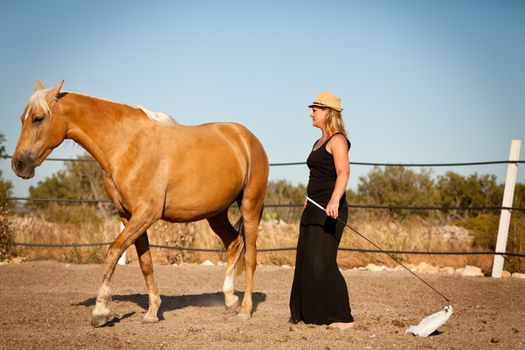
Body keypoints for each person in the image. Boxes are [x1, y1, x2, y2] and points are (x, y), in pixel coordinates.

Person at [289, 92, 354, 330]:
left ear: (328, 112)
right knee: (306, 259)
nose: (311, 113)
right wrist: (309, 197)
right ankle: (311, 313)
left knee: (323, 261)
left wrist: (335, 199)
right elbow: (315, 175)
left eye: (315, 109)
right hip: (313, 207)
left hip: (331, 209)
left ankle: (344, 317)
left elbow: (343, 173)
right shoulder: (317, 142)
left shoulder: (337, 140)